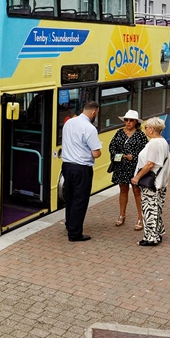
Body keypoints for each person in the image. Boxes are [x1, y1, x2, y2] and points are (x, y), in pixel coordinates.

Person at [61, 100, 102, 242]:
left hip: (67, 166)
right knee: (80, 200)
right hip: (82, 168)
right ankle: (75, 233)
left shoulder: (69, 123)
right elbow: (96, 153)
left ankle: (69, 224)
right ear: (93, 112)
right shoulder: (90, 128)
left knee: (70, 197)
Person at [130, 117, 170, 246]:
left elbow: (150, 164)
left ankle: (150, 238)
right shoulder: (163, 141)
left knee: (149, 209)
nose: (145, 129)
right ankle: (158, 233)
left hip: (152, 183)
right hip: (160, 181)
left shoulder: (154, 143)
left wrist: (137, 177)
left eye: (146, 127)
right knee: (156, 208)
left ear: (152, 129)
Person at [108, 110, 148, 229]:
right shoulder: (119, 133)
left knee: (136, 191)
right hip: (121, 167)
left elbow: (145, 151)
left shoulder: (141, 135)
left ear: (136, 122)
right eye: (126, 120)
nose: (128, 122)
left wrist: (134, 157)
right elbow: (112, 149)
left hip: (135, 167)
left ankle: (140, 218)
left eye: (131, 120)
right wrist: (122, 156)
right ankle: (122, 215)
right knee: (123, 189)